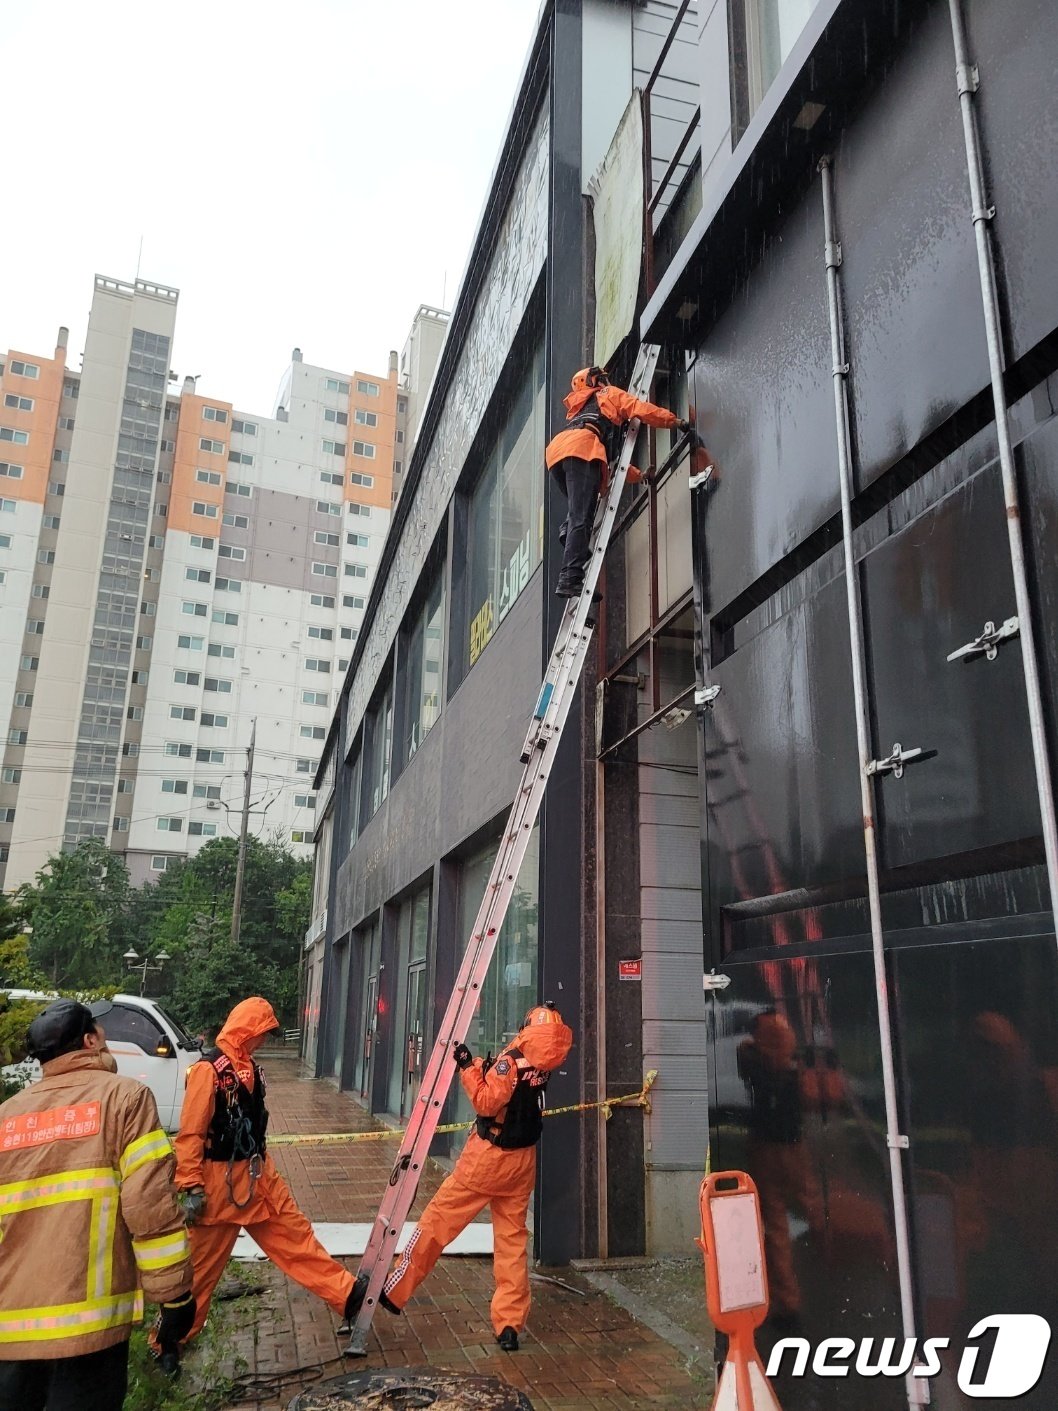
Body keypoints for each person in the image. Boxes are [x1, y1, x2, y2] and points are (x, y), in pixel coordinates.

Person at [345, 1002, 574, 1352]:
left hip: (486, 1161)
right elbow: (509, 1085)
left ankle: (393, 1291)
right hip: (522, 1163)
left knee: (436, 1224)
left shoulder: (510, 1061)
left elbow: (486, 1102)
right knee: (511, 1245)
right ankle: (510, 1324)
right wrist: (481, 1065)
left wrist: (467, 1068)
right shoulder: (544, 1061)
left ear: (528, 1027)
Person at [0, 999, 195, 1411]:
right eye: (102, 1033)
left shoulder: (8, 1115)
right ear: (90, 1041)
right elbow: (149, 1207)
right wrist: (174, 1296)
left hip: (11, 1327)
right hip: (90, 1324)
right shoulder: (125, 1100)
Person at [162, 996, 358, 1346]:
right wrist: (190, 1186)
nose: (266, 1039)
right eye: (263, 1032)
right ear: (248, 1030)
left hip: (258, 1179)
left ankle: (349, 1296)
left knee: (299, 1241)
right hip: (219, 1190)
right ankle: (169, 1344)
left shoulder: (248, 1066)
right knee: (199, 1274)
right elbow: (191, 1133)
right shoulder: (209, 1070)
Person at [544, 365, 693, 596]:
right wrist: (674, 421)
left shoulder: (580, 410)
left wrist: (641, 476)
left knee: (578, 512)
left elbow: (614, 466)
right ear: (596, 382)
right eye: (602, 379)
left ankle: (569, 535)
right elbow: (641, 409)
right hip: (581, 449)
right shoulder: (608, 395)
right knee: (581, 517)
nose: (606, 382)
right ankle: (569, 577)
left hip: (557, 454)